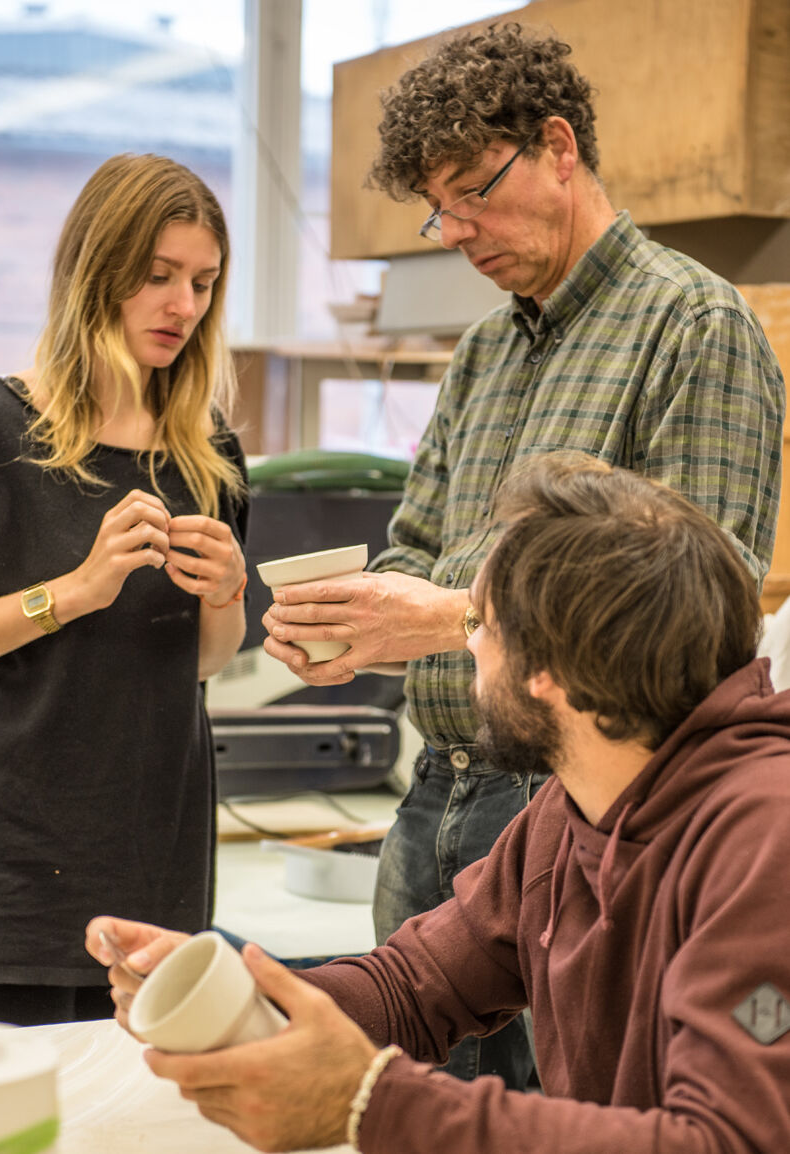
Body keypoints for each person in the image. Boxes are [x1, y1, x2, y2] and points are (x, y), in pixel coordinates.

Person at [258, 20, 785, 1087]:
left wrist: (442, 619)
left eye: (471, 192)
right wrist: (356, 622)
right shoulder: (485, 350)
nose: (452, 230)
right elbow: (416, 547)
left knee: (569, 1112)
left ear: (557, 148)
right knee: (408, 1087)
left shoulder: (694, 326)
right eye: (434, 208)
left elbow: (700, 613)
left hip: (579, 814)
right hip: (435, 798)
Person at [88, 453, 790, 1153]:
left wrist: (369, 1102)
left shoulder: (766, 835)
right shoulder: (572, 809)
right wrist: (243, 993)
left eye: (477, 625)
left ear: (546, 672)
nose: (468, 651)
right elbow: (413, 986)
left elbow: (724, 1142)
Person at [0, 153, 249, 1026]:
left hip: (155, 875)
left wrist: (226, 598)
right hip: (6, 886)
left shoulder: (208, 455)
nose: (185, 307)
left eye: (204, 283)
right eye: (159, 277)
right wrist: (69, 593)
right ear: (95, 273)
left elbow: (202, 663)